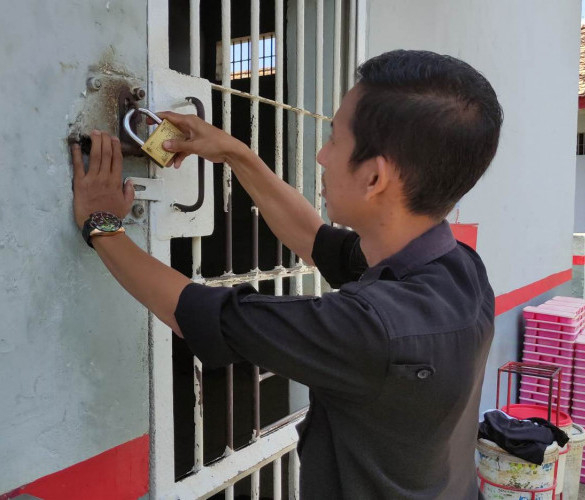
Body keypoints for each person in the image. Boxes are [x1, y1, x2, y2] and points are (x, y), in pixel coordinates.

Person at [70, 50, 502, 499]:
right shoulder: (458, 269)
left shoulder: (372, 331)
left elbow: (201, 312)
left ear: (374, 178)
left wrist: (103, 226)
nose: (321, 155)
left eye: (335, 139)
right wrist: (234, 153)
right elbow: (311, 238)